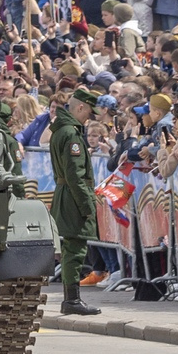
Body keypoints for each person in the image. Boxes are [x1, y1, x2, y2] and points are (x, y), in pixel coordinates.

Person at [51, 90, 102, 315]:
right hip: (73, 196)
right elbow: (75, 174)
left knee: (71, 247)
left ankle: (71, 298)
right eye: (89, 111)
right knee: (75, 248)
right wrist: (86, 205)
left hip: (64, 193)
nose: (89, 117)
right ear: (80, 107)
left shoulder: (61, 130)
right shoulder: (71, 135)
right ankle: (71, 300)